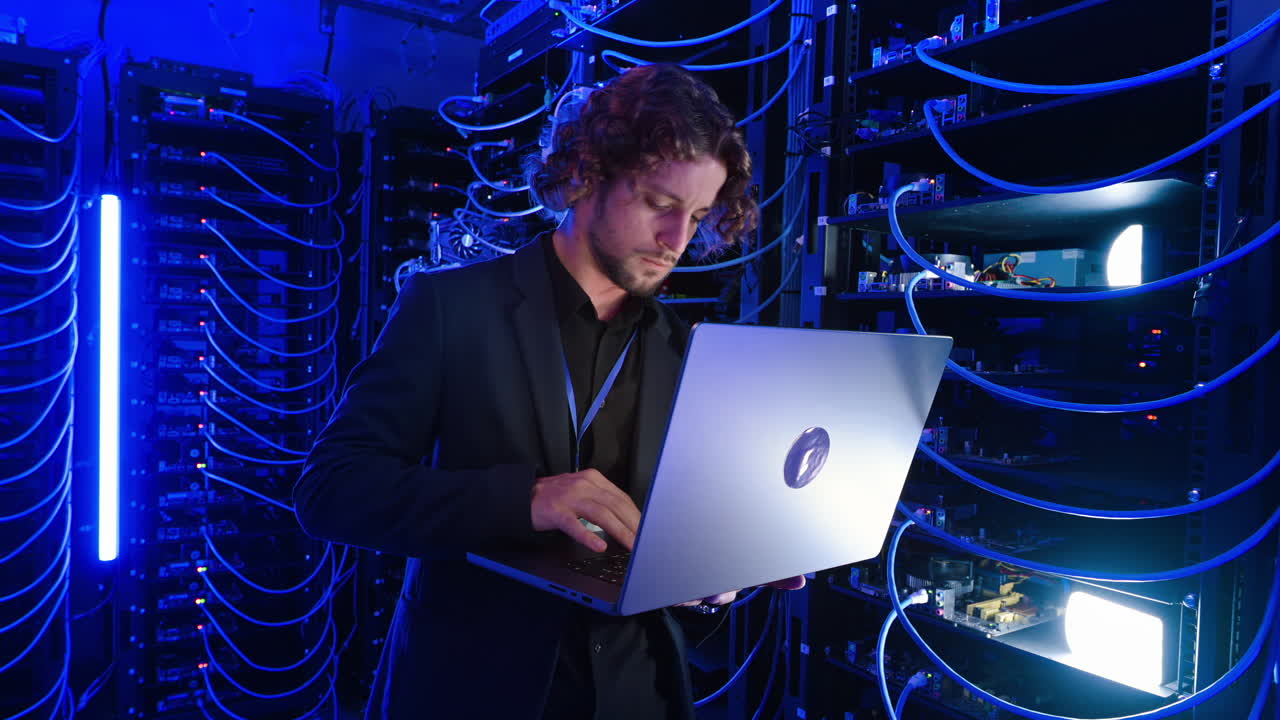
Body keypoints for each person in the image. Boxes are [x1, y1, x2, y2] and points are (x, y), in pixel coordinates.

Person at [293, 63, 804, 720]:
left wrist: (705, 576)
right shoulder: (451, 308)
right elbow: (330, 491)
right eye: (660, 204)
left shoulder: (685, 349)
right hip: (473, 692)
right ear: (587, 171)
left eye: (698, 215)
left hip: (637, 696)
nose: (678, 242)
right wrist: (525, 499)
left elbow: (665, 541)